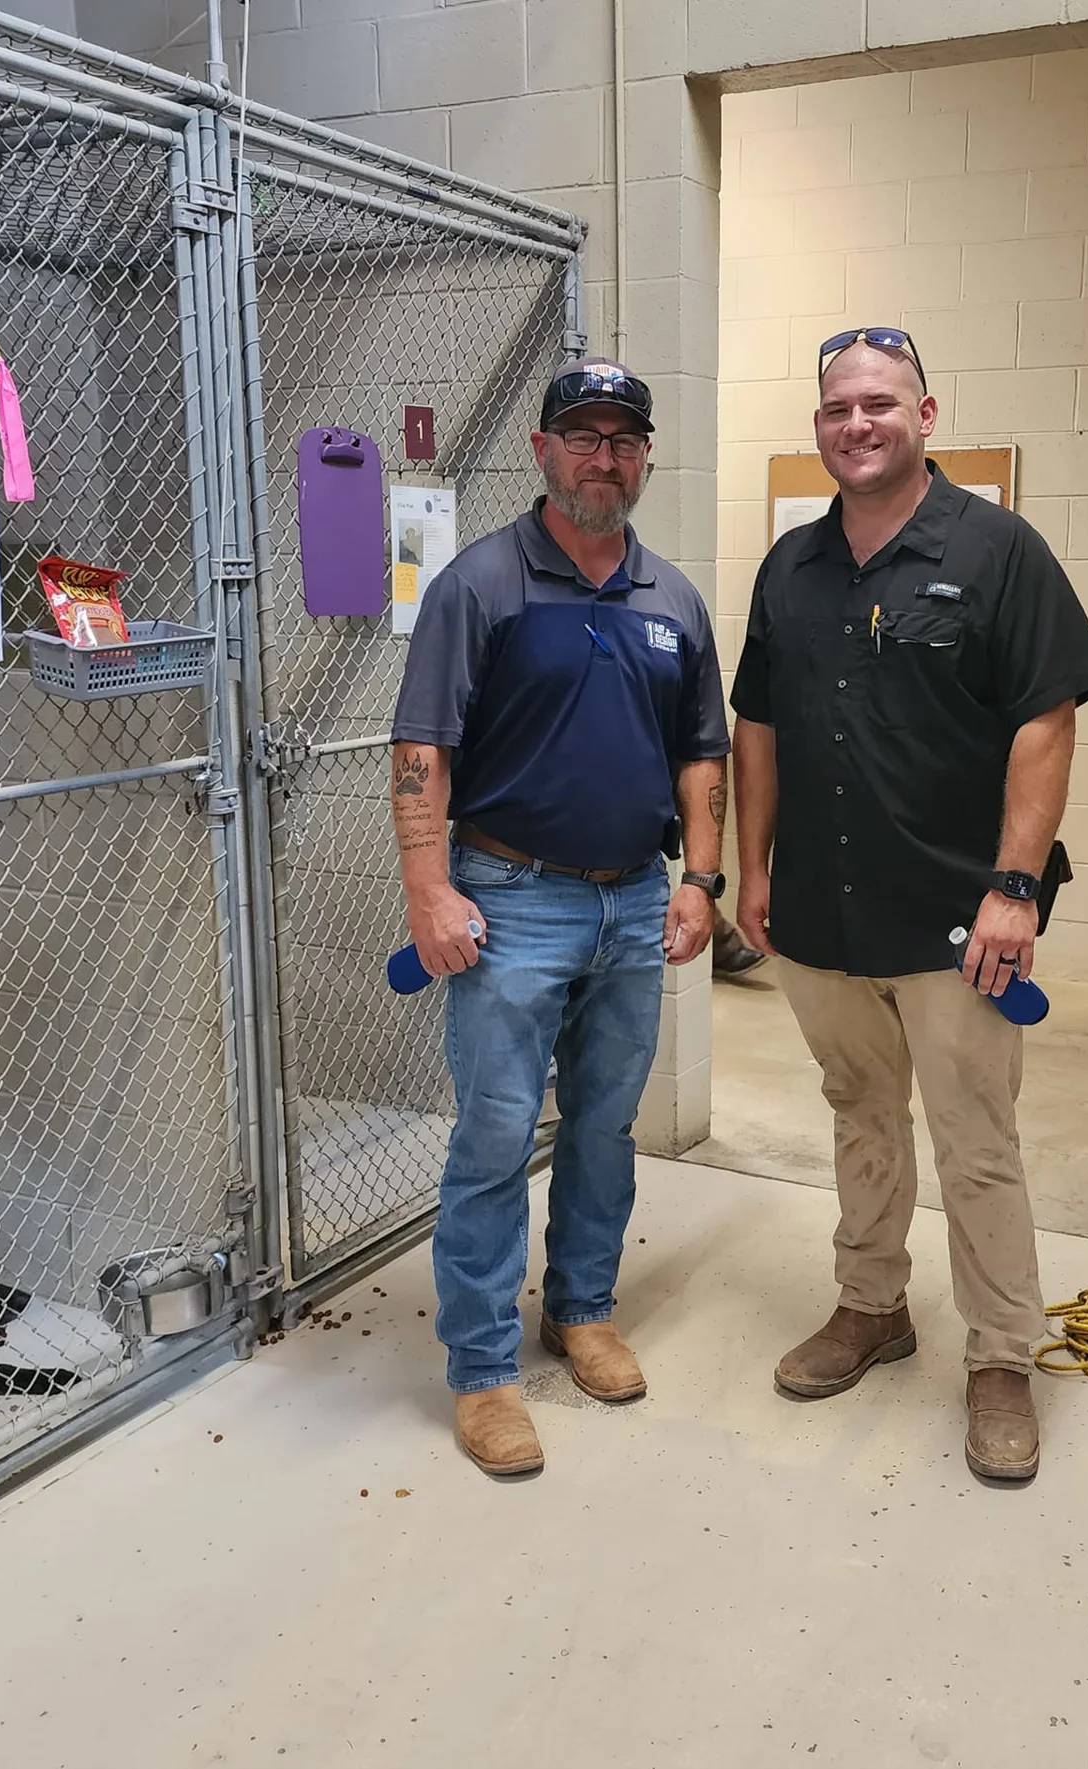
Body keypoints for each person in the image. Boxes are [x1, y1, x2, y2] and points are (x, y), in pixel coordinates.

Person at [730, 327, 1088, 1482]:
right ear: (818, 424)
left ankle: (1002, 1354)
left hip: (958, 917)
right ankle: (872, 1304)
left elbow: (1047, 721)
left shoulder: (997, 551)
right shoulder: (788, 569)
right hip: (819, 909)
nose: (859, 424)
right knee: (858, 1111)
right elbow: (757, 725)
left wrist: (1013, 887)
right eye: (839, 406)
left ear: (926, 414)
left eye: (881, 404)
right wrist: (751, 869)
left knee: (976, 1139)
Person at [391, 359, 730, 1477]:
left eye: (624, 438)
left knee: (602, 1124)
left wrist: (702, 881)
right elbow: (421, 752)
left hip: (636, 902)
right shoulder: (480, 585)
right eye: (581, 435)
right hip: (511, 899)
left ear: (644, 456)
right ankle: (483, 1368)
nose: (604, 455)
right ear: (542, 450)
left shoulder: (672, 600)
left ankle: (580, 1309)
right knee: (494, 1135)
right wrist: (429, 888)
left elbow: (702, 753)